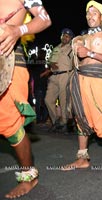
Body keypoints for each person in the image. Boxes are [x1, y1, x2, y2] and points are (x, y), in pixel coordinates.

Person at [62, 0, 102, 170]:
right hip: (80, 79)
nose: (90, 16)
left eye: (94, 12)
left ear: (101, 16)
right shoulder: (83, 37)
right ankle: (82, 158)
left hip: (97, 80)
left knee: (99, 122)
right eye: (88, 13)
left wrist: (89, 53)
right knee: (80, 119)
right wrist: (77, 45)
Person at [0, 0, 51, 198]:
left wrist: (17, 30)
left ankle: (28, 176)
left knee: (8, 124)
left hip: (8, 60)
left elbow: (45, 19)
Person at [44, 27, 75, 133]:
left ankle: (65, 123)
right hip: (54, 76)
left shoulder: (72, 48)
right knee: (48, 100)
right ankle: (55, 121)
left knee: (64, 101)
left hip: (65, 75)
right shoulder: (56, 48)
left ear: (71, 38)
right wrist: (51, 64)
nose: (65, 37)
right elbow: (50, 60)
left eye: (67, 36)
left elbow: (76, 62)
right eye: (63, 35)